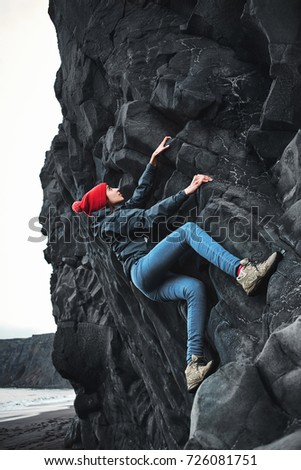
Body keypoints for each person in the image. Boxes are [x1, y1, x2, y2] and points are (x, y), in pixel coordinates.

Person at [72, 136, 278, 393]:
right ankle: (243, 272)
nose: (116, 188)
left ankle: (193, 366)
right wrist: (187, 192)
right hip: (142, 270)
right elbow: (147, 217)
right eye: (110, 189)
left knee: (194, 288)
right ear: (103, 201)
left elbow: (140, 196)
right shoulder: (109, 223)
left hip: (149, 281)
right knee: (188, 231)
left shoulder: (116, 215)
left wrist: (153, 161)